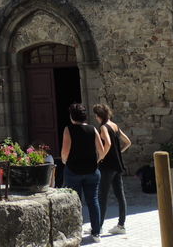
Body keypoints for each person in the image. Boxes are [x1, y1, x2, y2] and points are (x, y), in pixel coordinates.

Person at [62, 103, 106, 242]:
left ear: (72, 116)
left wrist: (64, 161)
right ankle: (96, 232)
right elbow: (101, 150)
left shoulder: (68, 130)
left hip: (73, 170)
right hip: (92, 171)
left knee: (75, 202)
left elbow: (65, 151)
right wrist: (97, 161)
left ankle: (76, 231)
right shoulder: (92, 129)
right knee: (93, 201)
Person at [93, 103, 131, 235]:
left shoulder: (103, 127)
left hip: (107, 166)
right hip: (117, 165)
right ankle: (121, 225)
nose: (96, 118)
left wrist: (100, 158)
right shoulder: (114, 125)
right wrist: (118, 152)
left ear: (99, 116)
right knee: (120, 195)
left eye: (96, 116)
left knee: (102, 196)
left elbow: (108, 143)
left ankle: (99, 226)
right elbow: (128, 142)